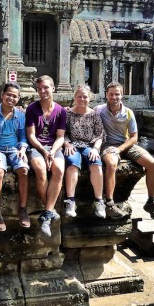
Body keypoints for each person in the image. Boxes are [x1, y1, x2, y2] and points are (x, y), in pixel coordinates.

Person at [96, 82, 154, 221]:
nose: (114, 97)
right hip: (108, 144)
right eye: (111, 94)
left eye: (117, 94)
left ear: (122, 95)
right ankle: (109, 203)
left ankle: (151, 201)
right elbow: (83, 111)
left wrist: (120, 149)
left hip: (125, 144)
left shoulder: (128, 112)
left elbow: (134, 137)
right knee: (112, 164)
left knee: (152, 164)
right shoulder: (99, 110)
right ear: (106, 95)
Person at [0, 81, 30, 231]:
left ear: (18, 98)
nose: (11, 98)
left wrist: (22, 149)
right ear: (2, 95)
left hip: (14, 149)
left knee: (23, 170)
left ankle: (22, 209)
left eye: (15, 96)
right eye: (8, 94)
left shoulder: (20, 116)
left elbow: (23, 137)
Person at [25, 75, 67, 236]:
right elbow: (31, 136)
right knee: (41, 170)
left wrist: (52, 152)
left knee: (59, 170)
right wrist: (44, 151)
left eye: (46, 87)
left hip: (54, 147)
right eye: (40, 88)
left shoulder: (61, 111)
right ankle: (50, 210)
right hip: (37, 146)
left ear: (53, 88)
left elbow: (60, 136)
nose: (43, 91)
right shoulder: (32, 109)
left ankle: (47, 213)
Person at [62, 84, 106, 218]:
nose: (82, 99)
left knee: (96, 164)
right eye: (79, 96)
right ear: (75, 97)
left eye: (85, 97)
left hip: (88, 146)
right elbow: (61, 132)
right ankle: (70, 201)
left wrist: (95, 149)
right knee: (72, 163)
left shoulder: (94, 114)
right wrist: (67, 143)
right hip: (73, 145)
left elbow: (100, 135)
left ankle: (99, 201)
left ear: (90, 98)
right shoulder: (68, 113)